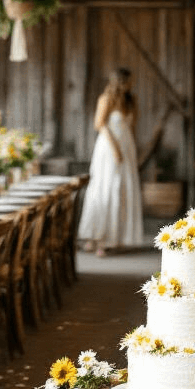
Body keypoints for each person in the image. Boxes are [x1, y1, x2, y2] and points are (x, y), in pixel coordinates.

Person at [77, 68, 144, 253]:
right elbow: (99, 124)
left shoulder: (131, 101)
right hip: (109, 147)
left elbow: (133, 127)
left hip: (127, 146)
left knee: (123, 189)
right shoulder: (105, 99)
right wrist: (116, 149)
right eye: (127, 81)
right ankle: (99, 237)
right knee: (107, 187)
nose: (130, 85)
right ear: (119, 82)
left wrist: (132, 150)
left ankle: (117, 236)